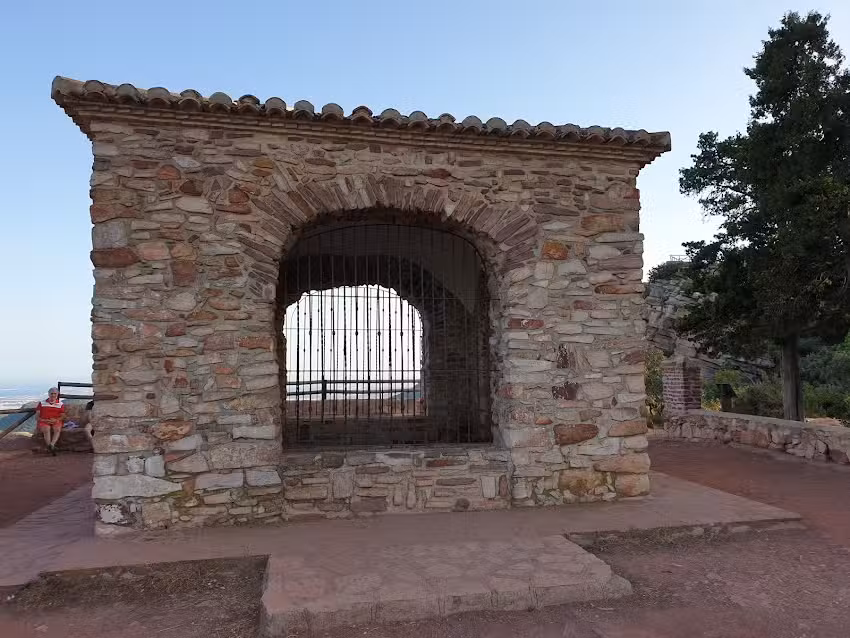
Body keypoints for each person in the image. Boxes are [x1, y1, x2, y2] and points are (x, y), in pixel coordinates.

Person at [36, 387, 65, 455]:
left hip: (55, 420)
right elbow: (37, 416)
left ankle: (51, 445)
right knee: (46, 429)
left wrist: (56, 420)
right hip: (44, 421)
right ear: (49, 394)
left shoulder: (60, 404)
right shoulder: (42, 403)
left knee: (57, 429)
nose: (53, 395)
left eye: (55, 393)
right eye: (52, 393)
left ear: (57, 394)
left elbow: (63, 416)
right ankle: (50, 447)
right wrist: (44, 420)